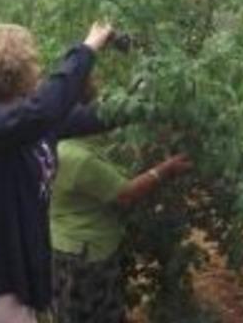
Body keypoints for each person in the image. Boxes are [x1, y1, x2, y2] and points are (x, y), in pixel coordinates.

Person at [0, 22, 114, 322]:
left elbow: (95, 116)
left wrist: (148, 97)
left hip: (11, 276)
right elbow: (44, 109)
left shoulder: (25, 122)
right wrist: (86, 50)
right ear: (20, 70)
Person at [50, 78, 193, 323]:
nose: (100, 111)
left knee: (69, 313)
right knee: (94, 314)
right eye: (95, 105)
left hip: (65, 245)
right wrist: (165, 169)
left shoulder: (58, 140)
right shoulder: (76, 157)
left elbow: (114, 151)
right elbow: (126, 194)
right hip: (85, 254)